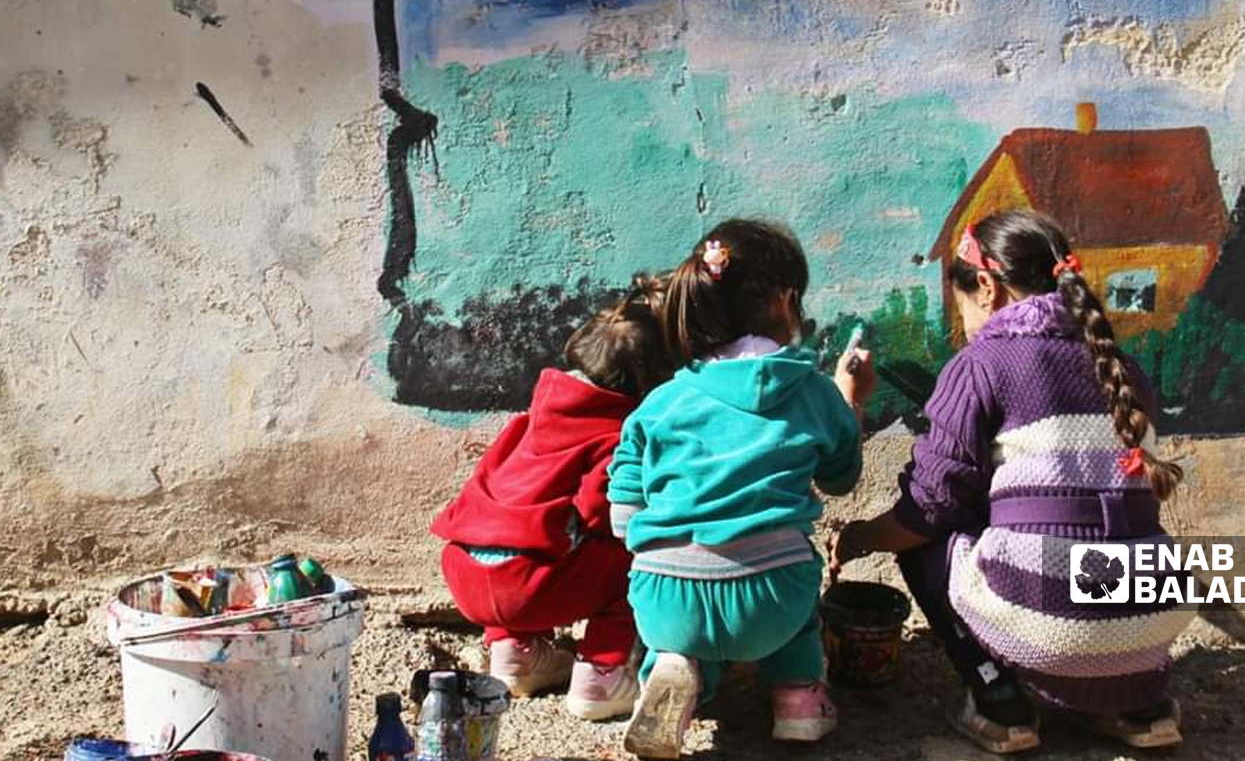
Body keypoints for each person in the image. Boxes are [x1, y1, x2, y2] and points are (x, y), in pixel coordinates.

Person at [831, 209, 1195, 752]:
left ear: (985, 286)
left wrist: (856, 539)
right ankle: (1142, 706)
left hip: (1053, 627)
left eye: (961, 310)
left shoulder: (982, 364)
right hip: (1151, 621)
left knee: (925, 542)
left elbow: (929, 508)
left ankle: (1000, 702)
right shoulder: (1120, 366)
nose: (964, 328)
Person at [609, 219, 875, 759]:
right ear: (785, 301)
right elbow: (841, 481)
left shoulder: (661, 401)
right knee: (801, 609)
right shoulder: (816, 393)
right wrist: (852, 404)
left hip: (666, 597)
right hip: (771, 600)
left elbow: (622, 518)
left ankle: (676, 669)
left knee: (682, 631)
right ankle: (798, 702)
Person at [430, 278, 673, 721]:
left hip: (464, 571)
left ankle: (515, 654)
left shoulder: (532, 418)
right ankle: (602, 674)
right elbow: (604, 516)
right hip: (532, 585)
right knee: (638, 551)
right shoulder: (615, 435)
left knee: (520, 537)